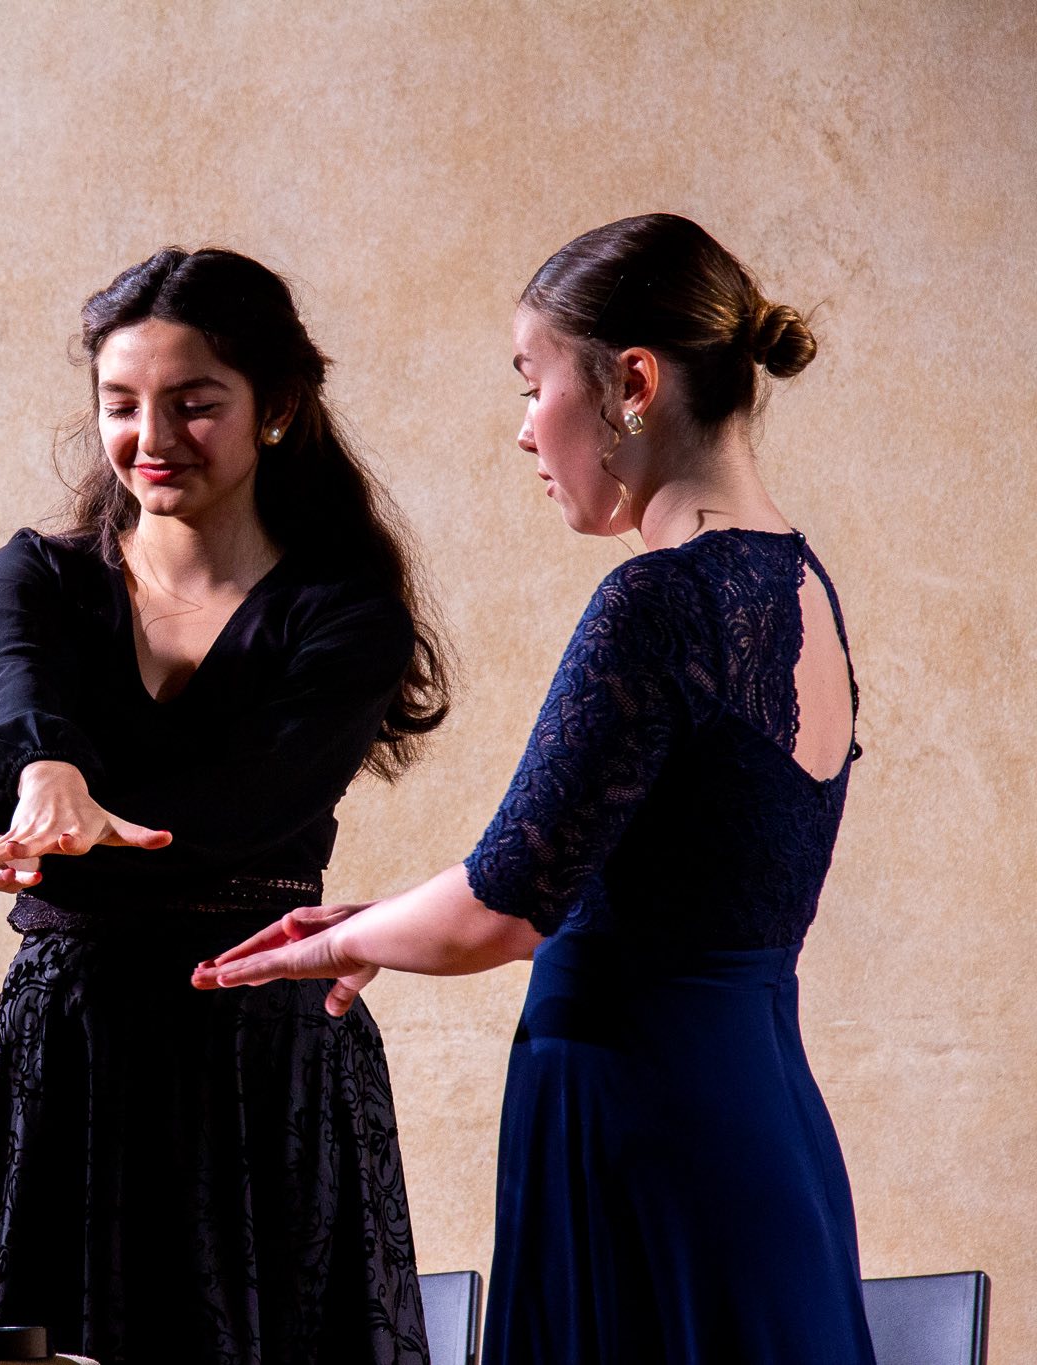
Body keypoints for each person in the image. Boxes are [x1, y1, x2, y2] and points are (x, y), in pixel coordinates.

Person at [205, 214, 875, 1364]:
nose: (523, 429)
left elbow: (503, 907)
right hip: (756, 1116)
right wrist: (377, 922)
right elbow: (610, 873)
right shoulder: (799, 585)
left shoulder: (656, 601)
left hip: (641, 1127)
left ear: (631, 384)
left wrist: (327, 945)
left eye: (531, 384)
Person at [0, 247, 451, 1364]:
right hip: (72, 1044)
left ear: (276, 407)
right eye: (121, 405)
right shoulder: (35, 577)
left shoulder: (346, 615)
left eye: (194, 404)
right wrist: (47, 778)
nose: (151, 438)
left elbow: (238, 814)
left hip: (260, 1049)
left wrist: (65, 834)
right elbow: (15, 709)